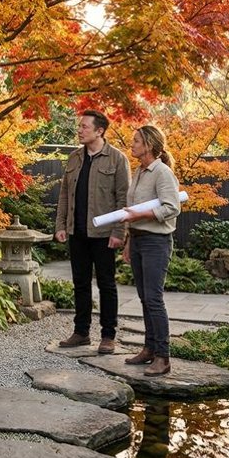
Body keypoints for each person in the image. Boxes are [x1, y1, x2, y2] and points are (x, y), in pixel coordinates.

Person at [54, 109, 130, 354]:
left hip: (105, 234)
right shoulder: (74, 158)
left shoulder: (117, 159)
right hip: (77, 231)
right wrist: (61, 226)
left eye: (84, 126)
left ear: (100, 131)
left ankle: (108, 335)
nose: (79, 130)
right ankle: (81, 332)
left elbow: (123, 199)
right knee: (80, 283)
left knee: (107, 284)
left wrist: (119, 231)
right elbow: (65, 195)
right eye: (79, 126)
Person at [121, 125, 181, 376]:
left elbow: (172, 207)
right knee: (145, 298)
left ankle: (163, 357)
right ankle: (148, 348)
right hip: (137, 240)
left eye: (136, 141)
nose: (132, 144)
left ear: (149, 145)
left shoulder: (162, 173)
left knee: (154, 299)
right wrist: (127, 242)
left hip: (156, 242)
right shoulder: (140, 171)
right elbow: (131, 212)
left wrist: (143, 213)